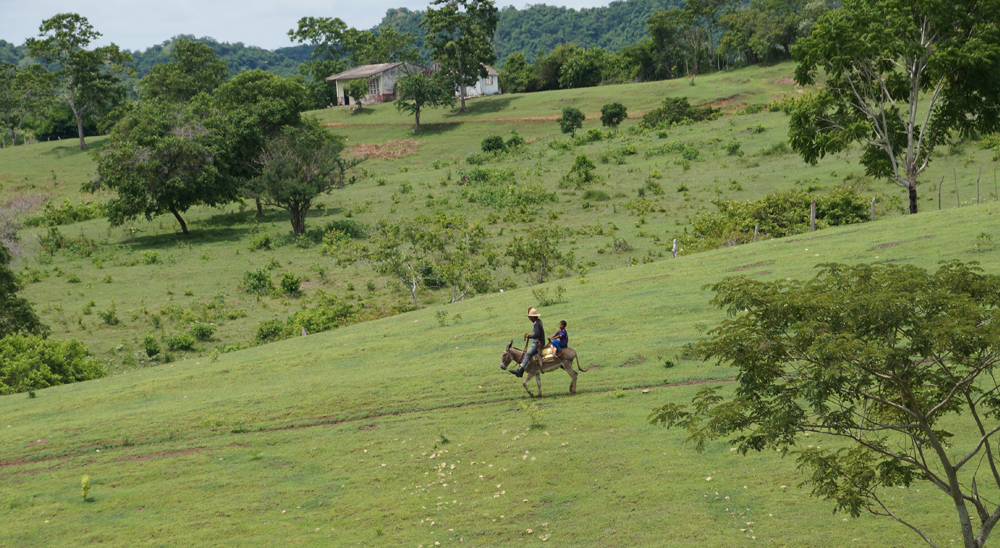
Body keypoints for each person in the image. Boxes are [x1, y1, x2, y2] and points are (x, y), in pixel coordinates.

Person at [511, 307, 544, 378]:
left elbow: (537, 334)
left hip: (537, 343)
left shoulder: (536, 324)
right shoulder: (539, 321)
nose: (529, 318)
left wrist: (529, 336)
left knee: (528, 354)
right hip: (539, 342)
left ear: (532, 317)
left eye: (529, 316)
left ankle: (520, 370)